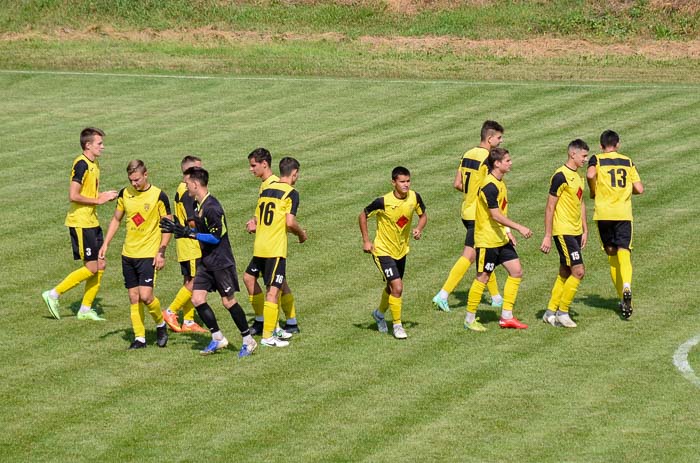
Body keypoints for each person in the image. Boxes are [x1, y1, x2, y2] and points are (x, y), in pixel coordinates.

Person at [161, 166, 258, 358]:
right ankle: (218, 337)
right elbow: (197, 231)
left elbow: (215, 238)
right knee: (197, 298)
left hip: (221, 262)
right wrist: (179, 229)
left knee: (228, 302)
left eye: (187, 183)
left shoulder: (213, 207)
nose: (185, 186)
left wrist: (189, 233)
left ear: (196, 184)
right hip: (206, 260)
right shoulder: (198, 205)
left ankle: (248, 341)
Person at [42, 127, 118, 321]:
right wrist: (98, 200)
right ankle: (53, 294)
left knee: (100, 264)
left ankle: (85, 309)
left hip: (91, 220)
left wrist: (103, 196)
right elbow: (73, 195)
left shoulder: (94, 163)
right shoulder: (82, 164)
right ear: (88, 145)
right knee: (92, 267)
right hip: (81, 222)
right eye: (99, 143)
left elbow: (89, 193)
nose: (103, 147)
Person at [99, 160, 171, 349]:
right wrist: (105, 244)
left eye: (137, 180)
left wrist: (161, 251)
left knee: (146, 296)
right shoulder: (125, 193)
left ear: (146, 174)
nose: (134, 184)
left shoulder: (159, 196)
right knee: (133, 296)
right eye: (131, 180)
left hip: (148, 253)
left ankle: (161, 324)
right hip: (128, 253)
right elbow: (116, 219)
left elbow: (168, 226)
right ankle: (140, 338)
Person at [433, 120, 504, 312]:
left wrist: (471, 191)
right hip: (478, 215)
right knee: (470, 255)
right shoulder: (489, 158)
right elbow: (488, 188)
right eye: (498, 137)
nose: (501, 141)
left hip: (466, 210)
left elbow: (457, 183)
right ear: (489, 138)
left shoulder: (467, 154)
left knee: (486, 251)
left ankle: (497, 297)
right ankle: (443, 294)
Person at [463, 147, 532, 332]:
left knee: (516, 271)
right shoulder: (489, 186)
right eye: (507, 160)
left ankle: (506, 317)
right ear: (497, 163)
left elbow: (501, 212)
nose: (511, 163)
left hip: (500, 239)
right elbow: (495, 215)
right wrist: (519, 227)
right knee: (482, 278)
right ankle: (469, 319)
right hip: (487, 241)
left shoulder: (500, 183)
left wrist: (508, 232)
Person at [243, 157, 307, 348]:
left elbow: (258, 219)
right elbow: (290, 222)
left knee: (250, 278)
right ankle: (267, 336)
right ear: (294, 173)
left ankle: (275, 326)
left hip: (260, 246)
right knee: (273, 291)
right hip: (275, 249)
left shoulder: (266, 190)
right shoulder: (291, 193)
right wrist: (301, 234)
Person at [359, 166, 427, 340]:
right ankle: (397, 326)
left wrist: (419, 228)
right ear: (393, 182)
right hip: (383, 251)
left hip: (401, 250)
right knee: (397, 287)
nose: (406, 185)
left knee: (391, 289)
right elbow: (363, 215)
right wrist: (367, 240)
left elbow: (423, 215)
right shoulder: (383, 202)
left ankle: (379, 314)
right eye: (402, 182)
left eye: (408, 181)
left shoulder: (414, 197)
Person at [586, 130, 643, 319]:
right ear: (617, 144)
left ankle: (622, 297)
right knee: (624, 250)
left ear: (601, 146)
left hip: (603, 213)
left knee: (611, 255)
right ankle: (627, 286)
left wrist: (594, 191)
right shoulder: (628, 161)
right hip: (623, 214)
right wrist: (626, 193)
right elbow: (639, 189)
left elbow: (590, 174)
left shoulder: (597, 159)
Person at [540, 139, 590, 328]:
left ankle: (550, 312)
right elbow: (550, 207)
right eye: (583, 156)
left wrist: (585, 229)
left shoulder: (578, 176)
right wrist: (547, 235)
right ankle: (563, 312)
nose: (585, 159)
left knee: (564, 272)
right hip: (563, 231)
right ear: (572, 154)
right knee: (578, 271)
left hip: (575, 231)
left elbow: (581, 202)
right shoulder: (560, 176)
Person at [161, 155, 208, 334]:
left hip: (185, 244)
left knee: (189, 281)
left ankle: (188, 321)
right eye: (199, 170)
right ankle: (171, 311)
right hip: (191, 244)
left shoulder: (182, 188)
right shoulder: (187, 192)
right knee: (195, 281)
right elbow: (191, 221)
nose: (202, 173)